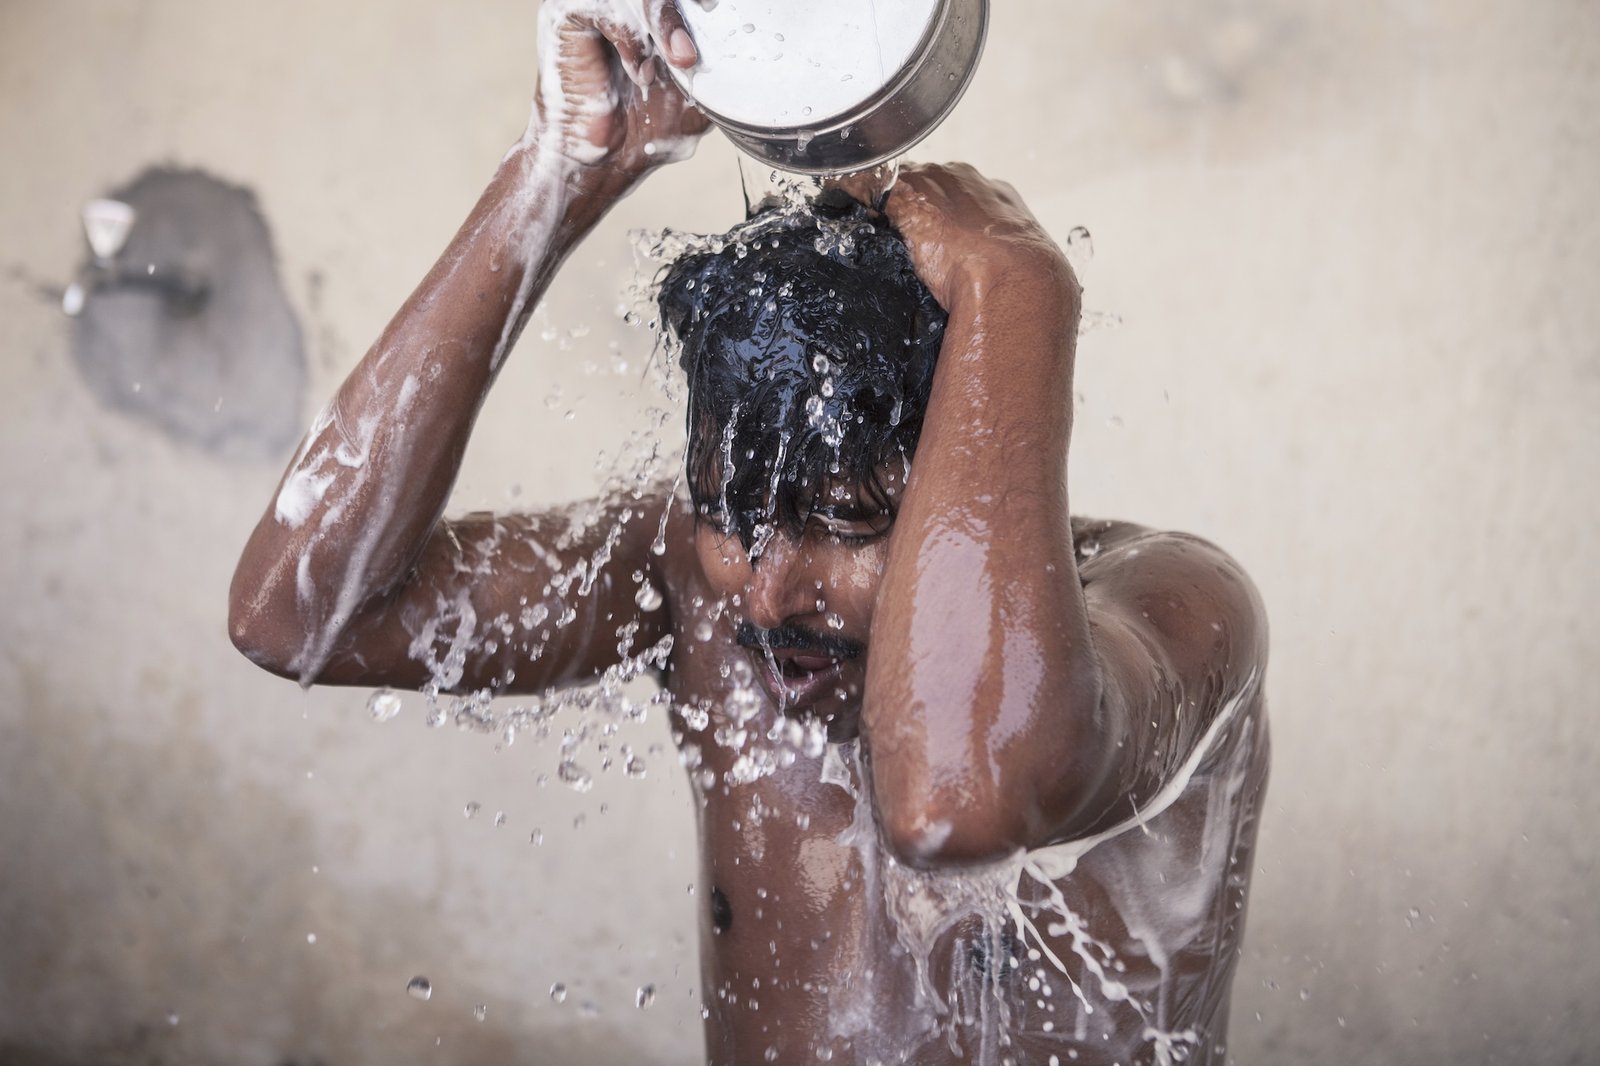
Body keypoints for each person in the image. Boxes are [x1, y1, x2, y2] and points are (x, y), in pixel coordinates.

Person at [228, 1, 1270, 1062]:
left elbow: (956, 799)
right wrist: (557, 174)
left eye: (844, 525)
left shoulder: (1179, 611)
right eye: (733, 513)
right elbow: (300, 617)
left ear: (969, 464)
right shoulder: (689, 578)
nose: (764, 595)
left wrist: (1018, 289)